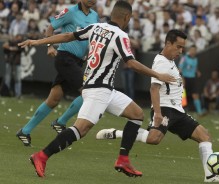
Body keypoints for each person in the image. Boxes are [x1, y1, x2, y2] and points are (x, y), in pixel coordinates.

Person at [18, 0, 175, 178]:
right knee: (81, 129)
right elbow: (130, 63)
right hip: (98, 90)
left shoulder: (96, 27)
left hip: (106, 89)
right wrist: (158, 75)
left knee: (137, 114)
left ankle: (123, 160)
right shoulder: (120, 35)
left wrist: (39, 41)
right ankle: (42, 155)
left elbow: (67, 36)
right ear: (127, 17)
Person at [96, 29, 219, 183]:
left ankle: (210, 176)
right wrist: (158, 113)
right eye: (178, 47)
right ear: (168, 43)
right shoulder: (161, 62)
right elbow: (154, 88)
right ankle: (118, 133)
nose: (181, 51)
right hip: (165, 109)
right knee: (154, 139)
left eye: (182, 48)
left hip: (177, 111)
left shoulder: (170, 61)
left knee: (204, 136)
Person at [16, 0, 99, 146]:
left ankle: (25, 130)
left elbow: (92, 38)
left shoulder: (94, 16)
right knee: (88, 92)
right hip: (65, 58)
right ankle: (60, 122)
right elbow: (50, 28)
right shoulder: (70, 12)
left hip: (78, 61)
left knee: (54, 99)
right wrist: (50, 46)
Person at [178, 45, 205, 116]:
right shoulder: (184, 58)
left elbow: (194, 68)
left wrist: (197, 71)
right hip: (185, 78)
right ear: (189, 50)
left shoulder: (196, 59)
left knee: (195, 95)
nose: (193, 51)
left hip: (192, 79)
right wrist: (182, 77)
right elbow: (180, 68)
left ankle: (199, 112)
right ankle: (180, 111)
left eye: (194, 50)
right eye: (192, 50)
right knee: (182, 95)